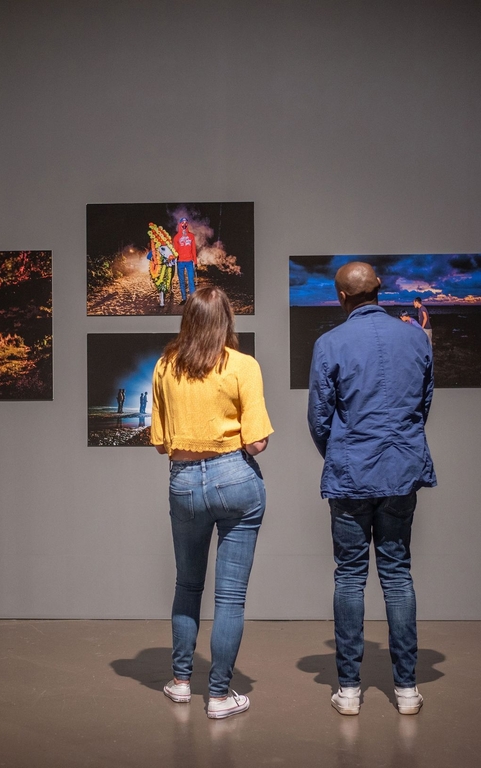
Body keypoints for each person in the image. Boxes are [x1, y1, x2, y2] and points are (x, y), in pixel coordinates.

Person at [308, 262, 436, 717]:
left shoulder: (329, 344)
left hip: (350, 474)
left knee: (349, 576)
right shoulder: (415, 338)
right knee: (398, 574)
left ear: (341, 297)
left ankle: (348, 690)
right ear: (380, 290)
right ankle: (406, 689)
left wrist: (344, 453)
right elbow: (422, 406)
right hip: (401, 471)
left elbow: (319, 419)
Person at [151, 285, 273, 720]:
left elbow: (162, 444)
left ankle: (181, 682)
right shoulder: (242, 365)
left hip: (184, 482)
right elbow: (257, 442)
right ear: (226, 321)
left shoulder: (165, 366)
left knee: (187, 586)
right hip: (235, 479)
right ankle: (219, 696)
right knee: (230, 598)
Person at [147, 223, 177, 308]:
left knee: (169, 277)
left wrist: (171, 257)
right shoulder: (155, 243)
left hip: (168, 262)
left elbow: (171, 252)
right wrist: (155, 259)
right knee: (160, 282)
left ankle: (170, 287)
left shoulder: (168, 243)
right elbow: (153, 250)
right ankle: (162, 300)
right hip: (159, 262)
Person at [173, 217, 198, 305]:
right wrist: (171, 257)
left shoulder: (191, 236)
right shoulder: (176, 237)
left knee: (191, 280)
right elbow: (175, 250)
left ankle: (192, 299)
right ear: (179, 224)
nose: (184, 224)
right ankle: (184, 298)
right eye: (182, 223)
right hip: (180, 262)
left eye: (186, 223)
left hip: (189, 262)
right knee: (182, 280)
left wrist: (195, 261)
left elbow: (194, 249)